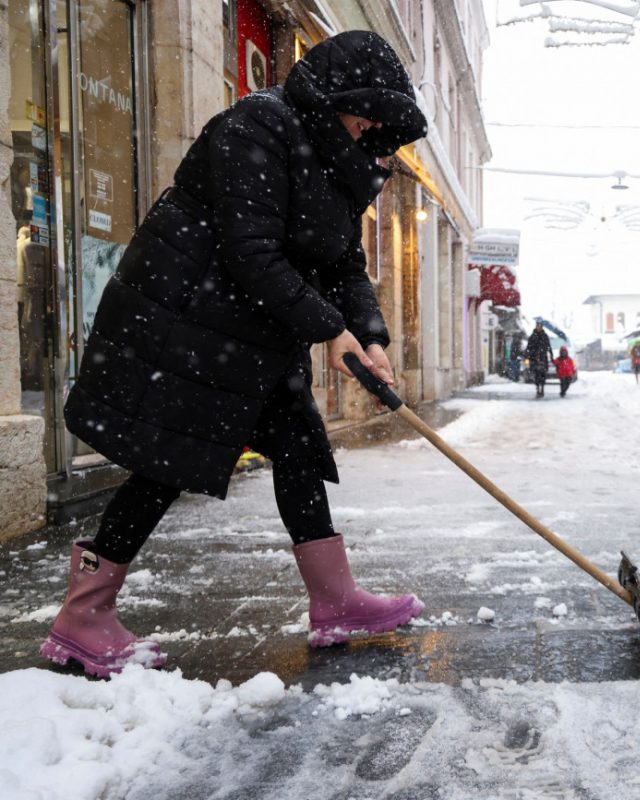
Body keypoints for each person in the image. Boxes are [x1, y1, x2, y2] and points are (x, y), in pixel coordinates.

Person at [40, 31, 429, 678]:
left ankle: (335, 601)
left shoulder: (341, 163)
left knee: (300, 450)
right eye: (367, 113)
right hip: (191, 325)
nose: (372, 129)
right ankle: (83, 616)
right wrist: (330, 331)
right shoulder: (258, 125)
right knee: (165, 464)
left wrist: (372, 336)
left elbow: (344, 262)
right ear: (338, 98)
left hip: (257, 337)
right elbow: (252, 253)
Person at [524, 321, 553, 398]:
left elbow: (549, 346)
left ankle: (542, 388)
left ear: (542, 327)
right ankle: (537, 388)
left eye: (540, 326)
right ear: (536, 327)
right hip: (534, 358)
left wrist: (551, 354)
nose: (539, 328)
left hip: (543, 357)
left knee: (543, 374)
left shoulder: (545, 336)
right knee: (536, 374)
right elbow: (528, 347)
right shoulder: (532, 336)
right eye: (538, 326)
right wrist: (527, 355)